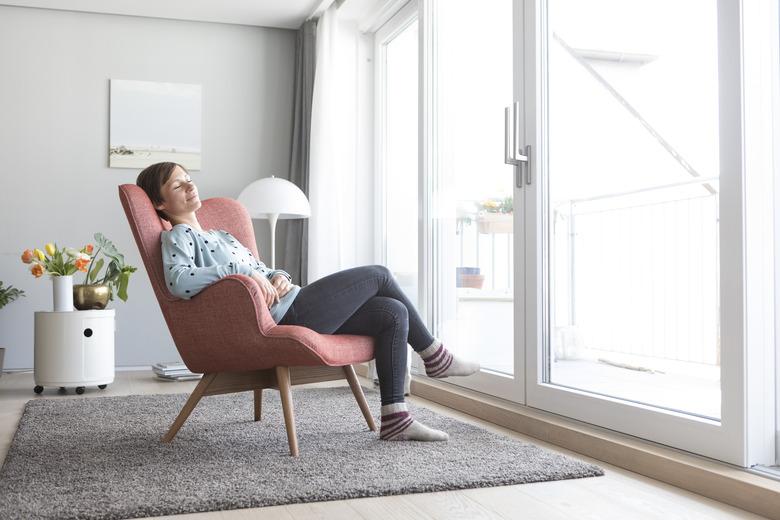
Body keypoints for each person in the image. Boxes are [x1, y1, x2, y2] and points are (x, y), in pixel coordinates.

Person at [136, 162, 480, 442]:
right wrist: (239, 275)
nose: (189, 186)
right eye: (177, 185)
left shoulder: (220, 235)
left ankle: (395, 418)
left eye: (188, 179)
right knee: (378, 274)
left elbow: (262, 268)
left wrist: (277, 275)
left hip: (292, 299)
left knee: (393, 312)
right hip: (285, 317)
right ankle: (434, 355)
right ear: (161, 204)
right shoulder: (178, 236)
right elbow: (178, 282)